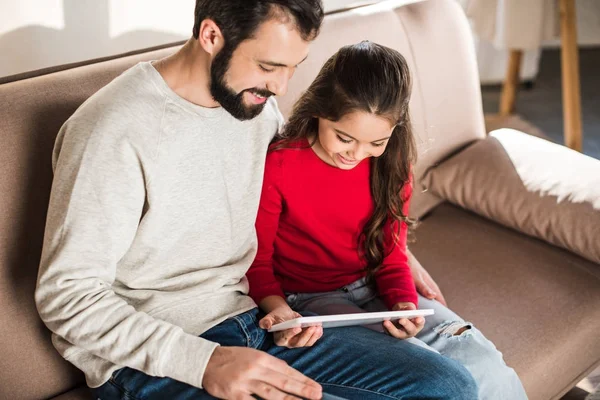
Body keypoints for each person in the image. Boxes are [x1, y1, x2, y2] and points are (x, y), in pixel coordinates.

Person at [35, 1, 478, 399]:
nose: (282, 88)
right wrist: (204, 361)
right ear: (211, 36)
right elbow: (66, 296)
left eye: (292, 67)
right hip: (154, 360)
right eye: (269, 66)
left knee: (450, 387)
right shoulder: (111, 129)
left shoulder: (253, 106)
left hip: (255, 324)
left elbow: (310, 192)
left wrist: (393, 247)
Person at [247, 41, 528, 400]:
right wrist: (279, 310)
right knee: (433, 374)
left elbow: (392, 254)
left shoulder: (392, 166)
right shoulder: (281, 164)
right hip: (311, 299)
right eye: (344, 138)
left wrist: (404, 304)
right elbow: (257, 261)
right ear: (319, 111)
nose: (357, 154)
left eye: (375, 142)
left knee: (483, 360)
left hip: (373, 286)